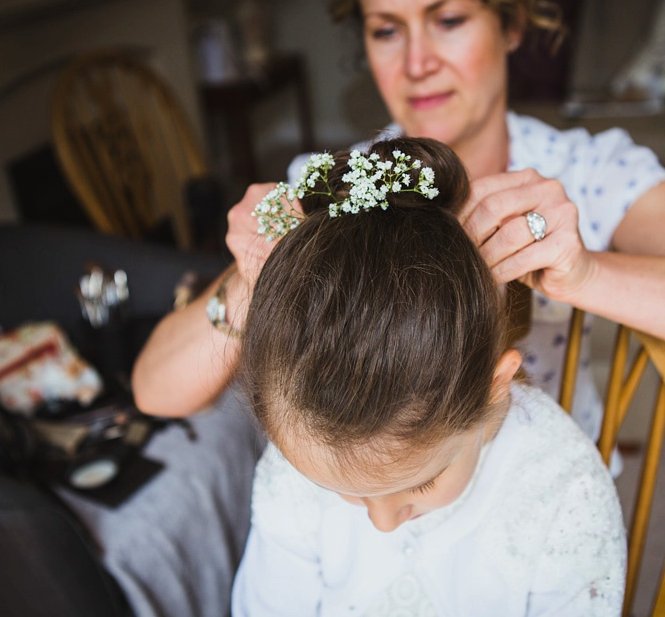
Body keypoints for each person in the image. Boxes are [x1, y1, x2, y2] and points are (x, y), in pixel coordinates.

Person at [132, 0, 665, 438]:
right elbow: (155, 390)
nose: (418, 61)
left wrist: (585, 273)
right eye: (386, 30)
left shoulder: (597, 171)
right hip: (370, 493)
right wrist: (253, 281)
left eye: (449, 19)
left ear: (512, 25)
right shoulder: (331, 186)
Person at [231, 137, 626, 615]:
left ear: (495, 386)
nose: (382, 524)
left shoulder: (564, 493)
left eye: (420, 485)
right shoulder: (292, 465)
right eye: (344, 491)